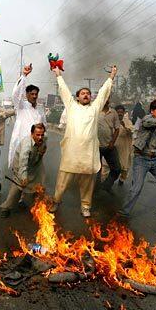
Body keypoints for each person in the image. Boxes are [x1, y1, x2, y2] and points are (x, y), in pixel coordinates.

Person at [50, 65, 117, 218]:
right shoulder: (71, 106)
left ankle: (85, 207)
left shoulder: (95, 109)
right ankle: (56, 201)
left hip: (88, 155)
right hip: (71, 154)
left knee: (87, 184)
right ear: (77, 97)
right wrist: (58, 75)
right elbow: (64, 90)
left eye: (88, 93)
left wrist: (111, 76)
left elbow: (103, 93)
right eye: (83, 93)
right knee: (62, 183)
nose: (86, 95)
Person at [0, 123, 47, 218]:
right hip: (20, 167)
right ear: (32, 134)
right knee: (18, 187)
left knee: (38, 185)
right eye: (37, 135)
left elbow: (43, 146)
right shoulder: (27, 145)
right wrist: (23, 177)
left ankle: (36, 206)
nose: (40, 137)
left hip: (34, 166)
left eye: (42, 134)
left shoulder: (44, 139)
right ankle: (6, 208)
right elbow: (23, 162)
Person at [8, 64, 47, 167]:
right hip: (23, 144)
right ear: (27, 95)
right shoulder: (21, 106)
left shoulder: (40, 109)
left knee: (35, 171)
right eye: (32, 94)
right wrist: (24, 75)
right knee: (21, 170)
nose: (34, 96)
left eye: (36, 94)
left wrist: (44, 144)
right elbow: (15, 94)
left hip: (36, 145)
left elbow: (44, 127)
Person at [97, 98, 121, 192]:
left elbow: (117, 129)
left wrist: (112, 142)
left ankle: (106, 186)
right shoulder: (95, 111)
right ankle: (95, 189)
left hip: (109, 146)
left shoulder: (113, 112)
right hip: (96, 147)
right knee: (96, 170)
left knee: (116, 169)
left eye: (107, 97)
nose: (105, 99)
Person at [114, 105, 133, 185]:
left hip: (125, 148)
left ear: (124, 113)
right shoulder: (112, 121)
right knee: (108, 165)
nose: (120, 114)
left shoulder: (128, 122)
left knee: (125, 166)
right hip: (114, 147)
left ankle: (122, 179)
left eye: (121, 112)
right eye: (118, 112)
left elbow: (131, 132)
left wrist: (124, 126)